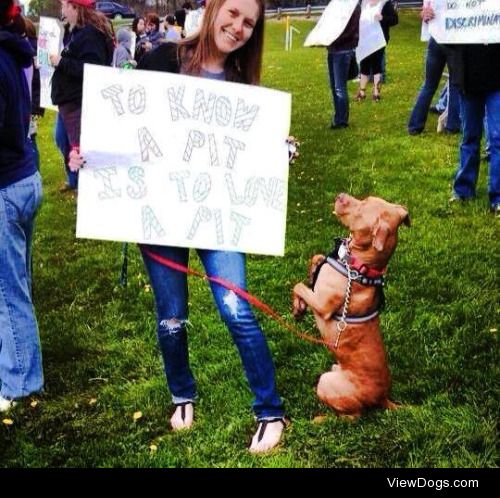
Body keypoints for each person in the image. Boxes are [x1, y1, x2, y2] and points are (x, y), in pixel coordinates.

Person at [70, 0, 288, 454]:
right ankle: (181, 394)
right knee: (171, 316)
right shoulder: (161, 59)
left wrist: (276, 148)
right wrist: (88, 154)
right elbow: (123, 127)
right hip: (160, 213)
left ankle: (270, 410)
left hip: (218, 217)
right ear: (212, 10)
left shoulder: (242, 84)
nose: (239, 27)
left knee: (236, 307)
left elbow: (245, 149)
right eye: (233, 14)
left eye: (249, 22)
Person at [0, 0, 44, 412]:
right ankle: (20, 362)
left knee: (7, 289)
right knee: (17, 283)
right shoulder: (15, 48)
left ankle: (19, 382)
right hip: (25, 177)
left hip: (9, 186)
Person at [49, 0, 114, 192]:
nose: (62, 10)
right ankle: (74, 180)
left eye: (64, 6)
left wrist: (61, 62)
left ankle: (84, 188)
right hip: (69, 103)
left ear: (74, 7)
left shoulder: (90, 35)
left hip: (79, 103)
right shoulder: (79, 32)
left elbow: (92, 70)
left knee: (79, 147)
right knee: (62, 139)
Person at [407, 9, 460, 135]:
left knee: (429, 84)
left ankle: (415, 125)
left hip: (436, 37)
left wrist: (424, 14)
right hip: (454, 38)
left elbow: (426, 11)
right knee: (455, 84)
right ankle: (452, 125)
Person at [326, 0, 361, 128]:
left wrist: (331, 38)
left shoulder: (353, 6)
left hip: (343, 50)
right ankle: (338, 117)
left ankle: (342, 121)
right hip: (333, 49)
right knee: (334, 86)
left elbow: (349, 31)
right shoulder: (338, 4)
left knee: (340, 87)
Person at [355, 0, 398, 102]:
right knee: (364, 63)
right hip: (364, 39)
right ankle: (362, 92)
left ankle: (376, 93)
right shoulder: (362, 2)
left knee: (376, 65)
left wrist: (382, 18)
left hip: (379, 40)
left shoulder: (385, 3)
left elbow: (395, 20)